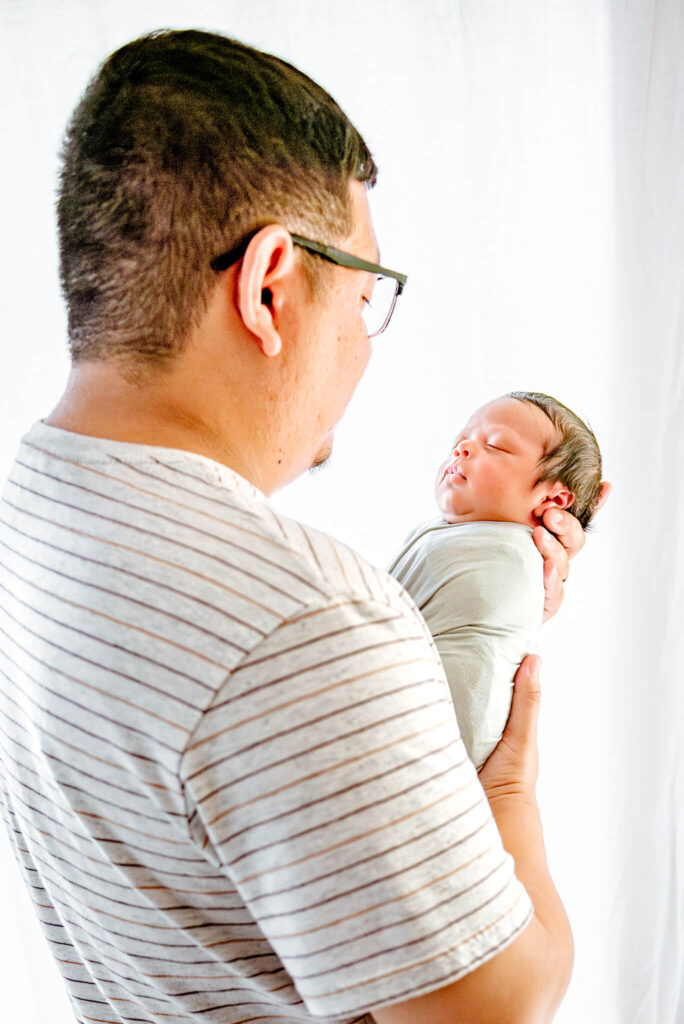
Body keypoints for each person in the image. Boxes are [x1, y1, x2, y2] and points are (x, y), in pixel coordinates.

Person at [0, 29, 607, 1024]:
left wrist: (469, 613)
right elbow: (496, 1007)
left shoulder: (36, 497)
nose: (364, 348)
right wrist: (510, 787)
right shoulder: (306, 621)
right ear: (271, 284)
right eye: (366, 297)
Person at [389, 391, 604, 769]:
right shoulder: (454, 536)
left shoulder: (508, 555)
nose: (463, 448)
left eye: (495, 445)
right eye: (461, 440)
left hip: (436, 752)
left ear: (554, 502)